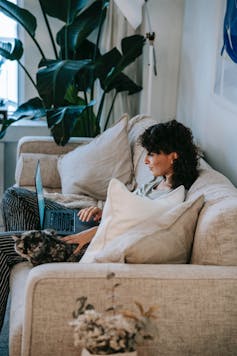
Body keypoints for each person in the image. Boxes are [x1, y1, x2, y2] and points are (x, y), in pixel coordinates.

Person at [0, 119, 199, 331]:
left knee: (2, 246)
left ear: (174, 155)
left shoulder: (173, 200)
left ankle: (36, 246)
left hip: (89, 244)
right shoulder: (155, 182)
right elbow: (127, 212)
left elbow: (135, 231)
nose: (146, 161)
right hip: (95, 228)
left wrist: (93, 233)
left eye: (152, 154)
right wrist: (102, 212)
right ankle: (34, 245)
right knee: (15, 196)